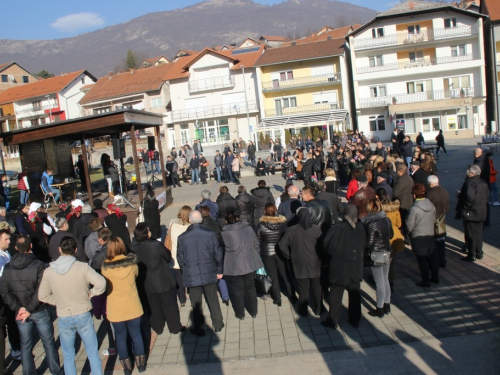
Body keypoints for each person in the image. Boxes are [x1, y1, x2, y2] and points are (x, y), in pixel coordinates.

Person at [38, 236, 106, 375]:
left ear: (59, 250)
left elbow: (42, 296)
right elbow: (102, 283)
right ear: (75, 250)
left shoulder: (49, 271)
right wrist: (91, 293)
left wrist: (57, 301)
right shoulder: (82, 267)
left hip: (64, 315)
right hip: (83, 312)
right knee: (92, 352)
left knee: (68, 356)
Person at [0, 235, 61, 375]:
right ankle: (56, 371)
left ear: (15, 248)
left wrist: (18, 308)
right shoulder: (39, 265)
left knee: (25, 345)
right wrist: (28, 308)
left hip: (21, 312)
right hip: (39, 309)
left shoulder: (8, 268)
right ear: (31, 247)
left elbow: (4, 291)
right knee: (48, 343)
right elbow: (42, 290)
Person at [101, 237, 146, 374]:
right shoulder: (132, 264)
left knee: (120, 337)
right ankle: (141, 364)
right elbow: (136, 276)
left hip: (115, 307)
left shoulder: (105, 268)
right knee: (136, 334)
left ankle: (127, 366)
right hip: (133, 304)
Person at [177, 210, 224, 336]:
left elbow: (180, 258)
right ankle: (218, 324)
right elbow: (218, 254)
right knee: (213, 299)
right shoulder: (210, 234)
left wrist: (186, 270)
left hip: (192, 274)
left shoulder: (182, 238)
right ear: (201, 220)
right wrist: (219, 270)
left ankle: (199, 327)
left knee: (196, 302)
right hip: (209, 271)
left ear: (190, 220)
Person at [131, 223, 185, 335]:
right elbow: (167, 256)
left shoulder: (133, 248)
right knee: (168, 304)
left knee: (152, 306)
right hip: (161, 279)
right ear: (146, 233)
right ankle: (174, 327)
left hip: (145, 281)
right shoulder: (156, 245)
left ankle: (158, 327)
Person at [322, 204, 366, 329]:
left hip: (339, 265)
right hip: (355, 264)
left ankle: (333, 320)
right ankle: (355, 318)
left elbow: (327, 246)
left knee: (336, 293)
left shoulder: (337, 228)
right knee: (355, 292)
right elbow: (363, 244)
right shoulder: (360, 227)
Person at [279, 208, 322, 316]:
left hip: (299, 263)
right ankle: (319, 309)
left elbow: (281, 245)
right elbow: (322, 246)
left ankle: (303, 310)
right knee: (317, 288)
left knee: (303, 289)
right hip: (315, 262)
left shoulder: (292, 230)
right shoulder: (316, 229)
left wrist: (288, 255)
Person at [221, 211, 263, 320]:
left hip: (234, 265)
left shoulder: (224, 233)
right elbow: (256, 243)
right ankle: (253, 311)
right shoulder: (248, 228)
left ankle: (240, 313)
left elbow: (222, 250)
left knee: (237, 290)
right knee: (250, 288)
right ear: (237, 218)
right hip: (249, 262)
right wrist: (256, 256)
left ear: (226, 221)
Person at [361, 198, 393, 317]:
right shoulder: (386, 219)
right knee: (385, 280)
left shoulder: (370, 224)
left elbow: (369, 243)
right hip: (387, 252)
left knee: (379, 282)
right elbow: (391, 235)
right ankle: (387, 305)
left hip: (376, 255)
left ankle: (379, 308)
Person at [256, 203, 289, 306]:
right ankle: (292, 295)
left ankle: (277, 298)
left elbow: (258, 240)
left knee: (272, 275)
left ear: (265, 211)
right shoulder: (282, 222)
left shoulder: (261, 224)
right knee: (284, 273)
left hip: (267, 252)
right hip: (279, 251)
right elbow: (285, 236)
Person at [406, 183, 438, 287]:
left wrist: (407, 232)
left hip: (418, 237)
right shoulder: (431, 205)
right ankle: (435, 277)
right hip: (430, 235)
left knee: (422, 260)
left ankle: (425, 280)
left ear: (414, 195)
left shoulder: (414, 209)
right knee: (432, 257)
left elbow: (409, 225)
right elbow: (434, 218)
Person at [457, 165, 489, 262]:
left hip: (471, 213)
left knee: (470, 234)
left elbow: (469, 198)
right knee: (478, 233)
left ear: (472, 173)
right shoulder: (483, 182)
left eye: (469, 171)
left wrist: (465, 208)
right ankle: (479, 253)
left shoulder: (470, 183)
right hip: (482, 212)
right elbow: (487, 197)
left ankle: (471, 254)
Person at [198, 206, 229, 305]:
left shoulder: (199, 227)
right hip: (218, 251)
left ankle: (212, 297)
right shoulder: (216, 224)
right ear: (209, 213)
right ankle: (225, 297)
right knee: (220, 275)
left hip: (205, 254)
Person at [377, 189, 405, 291]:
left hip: (382, 237)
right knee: (392, 262)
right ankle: (391, 282)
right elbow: (399, 224)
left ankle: (382, 282)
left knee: (381, 263)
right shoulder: (394, 208)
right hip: (394, 237)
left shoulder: (378, 209)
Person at [167, 206, 191, 307]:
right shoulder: (190, 226)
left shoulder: (172, 223)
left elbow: (168, 235)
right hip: (188, 256)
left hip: (175, 256)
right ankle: (191, 292)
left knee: (179, 279)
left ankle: (182, 299)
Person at [426, 175, 450, 268]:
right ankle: (442, 260)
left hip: (433, 220)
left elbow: (428, 208)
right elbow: (447, 206)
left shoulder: (430, 194)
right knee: (441, 241)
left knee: (434, 242)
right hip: (442, 219)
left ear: (430, 184)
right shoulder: (444, 191)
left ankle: (435, 260)